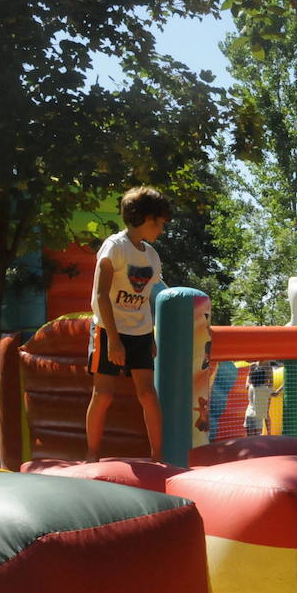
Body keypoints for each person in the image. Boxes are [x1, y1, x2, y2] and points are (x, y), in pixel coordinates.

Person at [85, 186, 169, 462]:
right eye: (160, 222)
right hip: (110, 329)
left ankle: (159, 458)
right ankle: (92, 456)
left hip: (140, 331)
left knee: (147, 392)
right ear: (145, 219)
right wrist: (114, 339)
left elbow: (144, 297)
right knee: (104, 393)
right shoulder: (115, 247)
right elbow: (100, 295)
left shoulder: (151, 255)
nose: (162, 228)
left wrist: (151, 335)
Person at [244, 360, 282, 436]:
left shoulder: (268, 367)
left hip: (251, 409)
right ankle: (263, 437)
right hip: (261, 392)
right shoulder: (253, 365)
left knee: (265, 413)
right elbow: (275, 393)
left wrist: (266, 390)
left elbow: (271, 382)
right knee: (257, 433)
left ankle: (269, 434)